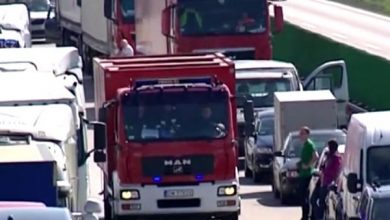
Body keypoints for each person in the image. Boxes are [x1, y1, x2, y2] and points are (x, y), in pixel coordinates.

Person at [316, 140, 342, 220]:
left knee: (323, 204)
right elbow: (322, 167)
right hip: (324, 182)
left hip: (330, 184)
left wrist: (325, 170)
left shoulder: (336, 159)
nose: (328, 149)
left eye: (329, 147)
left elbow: (335, 172)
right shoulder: (328, 157)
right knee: (319, 202)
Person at [297, 126, 319, 220]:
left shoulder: (310, 144)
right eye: (300, 133)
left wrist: (308, 165)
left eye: (302, 133)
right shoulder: (305, 145)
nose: (300, 135)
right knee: (302, 197)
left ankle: (306, 216)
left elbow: (316, 156)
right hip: (302, 174)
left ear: (307, 135)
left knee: (304, 197)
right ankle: (304, 215)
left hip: (306, 175)